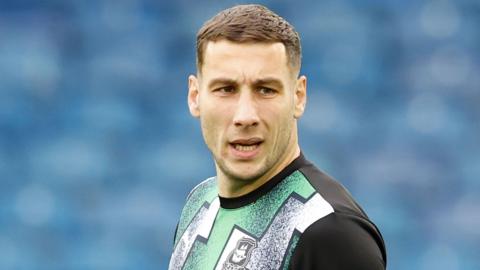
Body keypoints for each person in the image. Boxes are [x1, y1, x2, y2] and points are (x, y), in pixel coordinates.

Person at [169, 4, 387, 270]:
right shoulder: (199, 205)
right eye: (226, 89)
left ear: (298, 97)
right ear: (195, 96)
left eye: (266, 90)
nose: (245, 115)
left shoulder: (329, 231)